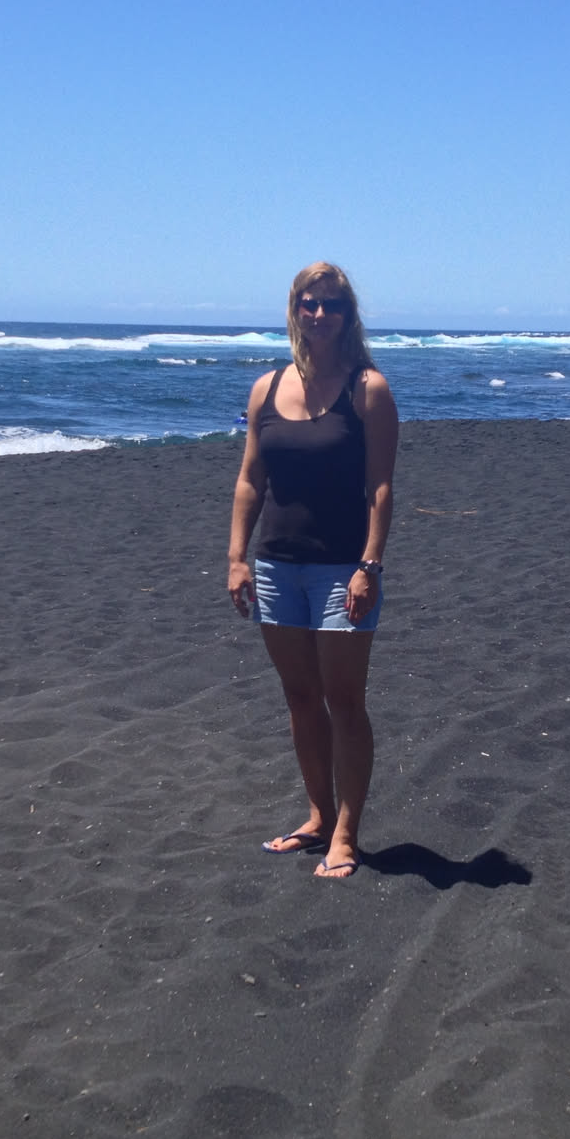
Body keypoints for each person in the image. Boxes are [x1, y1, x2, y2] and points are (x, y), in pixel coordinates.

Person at [227, 263, 399, 880]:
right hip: (278, 567)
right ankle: (319, 817)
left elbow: (380, 488)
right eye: (310, 302)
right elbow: (251, 479)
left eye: (332, 304)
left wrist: (369, 565)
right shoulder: (267, 388)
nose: (320, 314)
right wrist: (237, 558)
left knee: (344, 702)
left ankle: (346, 835)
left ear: (349, 316)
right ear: (295, 309)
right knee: (301, 699)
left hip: (341, 571)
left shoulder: (368, 389)